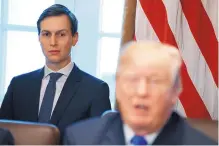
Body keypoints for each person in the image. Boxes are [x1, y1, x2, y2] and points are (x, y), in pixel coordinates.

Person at [63, 41, 217, 145]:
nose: (142, 92)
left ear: (175, 91)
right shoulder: (81, 138)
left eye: (155, 81)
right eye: (132, 79)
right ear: (117, 86)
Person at [0, 4, 111, 140]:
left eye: (61, 34)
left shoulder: (96, 90)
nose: (53, 42)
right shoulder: (18, 85)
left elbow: (100, 141)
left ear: (75, 38)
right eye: (46, 34)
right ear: (39, 38)